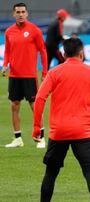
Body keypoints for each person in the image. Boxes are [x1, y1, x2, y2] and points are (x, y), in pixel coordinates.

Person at [32, 37, 90, 202]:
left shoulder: (55, 72)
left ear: (63, 53)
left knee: (51, 174)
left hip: (58, 132)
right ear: (81, 53)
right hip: (83, 131)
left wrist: (36, 127)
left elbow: (39, 99)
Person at [2, 2, 48, 148]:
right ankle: (18, 138)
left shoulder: (34, 30)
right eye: (18, 12)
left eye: (23, 12)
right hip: (14, 76)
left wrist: (44, 72)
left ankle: (41, 138)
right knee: (14, 106)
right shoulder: (9, 31)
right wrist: (5, 65)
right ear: (13, 14)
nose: (20, 14)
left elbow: (43, 51)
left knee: (34, 106)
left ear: (27, 14)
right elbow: (7, 51)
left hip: (29, 76)